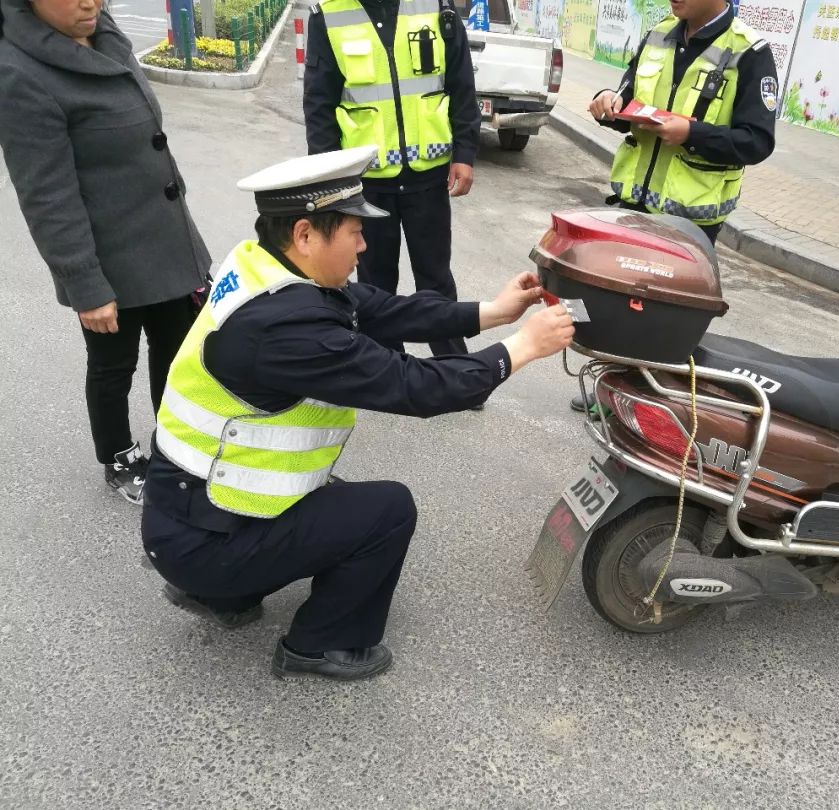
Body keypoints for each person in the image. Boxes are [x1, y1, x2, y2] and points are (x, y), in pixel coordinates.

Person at [140, 148, 574, 682]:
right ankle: (322, 644)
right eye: (353, 231)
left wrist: (491, 312)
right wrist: (521, 349)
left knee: (328, 495)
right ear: (305, 234)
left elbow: (380, 307)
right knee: (387, 510)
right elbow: (415, 387)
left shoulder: (263, 266)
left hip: (188, 513)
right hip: (197, 539)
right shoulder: (287, 332)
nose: (364, 244)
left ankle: (222, 589)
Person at [0, 0, 212, 504]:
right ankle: (118, 458)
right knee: (114, 365)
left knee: (179, 352)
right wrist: (85, 284)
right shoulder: (18, 74)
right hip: (109, 259)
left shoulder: (103, 31)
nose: (89, 2)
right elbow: (48, 196)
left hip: (167, 243)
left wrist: (189, 247)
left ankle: (176, 445)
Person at [572, 0, 777, 413]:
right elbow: (628, 99)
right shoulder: (659, 35)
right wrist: (607, 103)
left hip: (690, 217)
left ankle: (654, 403)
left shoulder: (750, 52)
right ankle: (610, 393)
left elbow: (757, 140)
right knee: (621, 304)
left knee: (664, 317)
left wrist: (693, 133)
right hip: (635, 203)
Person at [302, 0, 480, 358]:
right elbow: (319, 104)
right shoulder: (329, 16)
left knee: (436, 278)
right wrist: (331, 179)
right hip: (366, 181)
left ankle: (454, 363)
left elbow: (461, 84)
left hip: (428, 176)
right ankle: (385, 361)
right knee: (375, 281)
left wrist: (464, 153)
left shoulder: (435, 7)